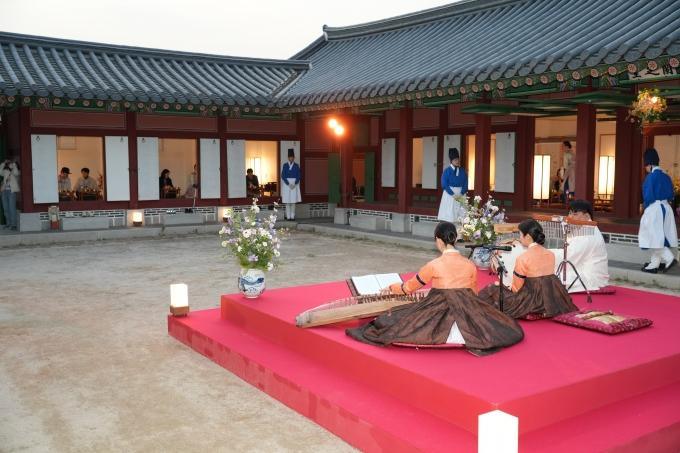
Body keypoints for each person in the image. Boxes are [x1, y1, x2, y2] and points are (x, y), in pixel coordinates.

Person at [346, 222, 524, 357]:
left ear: (438, 240)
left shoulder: (434, 265)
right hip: (466, 307)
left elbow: (408, 288)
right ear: (455, 239)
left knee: (392, 320)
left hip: (439, 305)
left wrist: (392, 287)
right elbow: (474, 294)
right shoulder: (469, 264)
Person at [479, 219, 577, 318]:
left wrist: (507, 289)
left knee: (491, 289)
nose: (520, 238)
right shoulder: (551, 254)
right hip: (550, 298)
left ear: (528, 237)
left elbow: (516, 288)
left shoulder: (523, 258)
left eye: (520, 235)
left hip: (531, 299)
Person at [548, 199, 610, 291]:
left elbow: (570, 256)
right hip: (578, 269)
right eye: (570, 213)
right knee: (545, 273)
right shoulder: (581, 228)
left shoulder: (590, 233)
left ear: (586, 216)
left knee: (548, 277)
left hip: (590, 276)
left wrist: (544, 253)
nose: (571, 217)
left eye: (575, 214)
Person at [639, 148, 678, 274]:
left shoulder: (650, 177)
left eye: (646, 166)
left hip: (655, 209)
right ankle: (654, 264)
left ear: (650, 164)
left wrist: (646, 208)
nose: (645, 168)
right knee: (658, 236)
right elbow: (671, 195)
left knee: (653, 236)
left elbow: (648, 197)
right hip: (666, 208)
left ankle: (670, 259)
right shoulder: (667, 177)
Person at [437, 148, 468, 223]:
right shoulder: (447, 171)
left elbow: (466, 182)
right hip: (450, 194)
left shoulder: (463, 171)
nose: (457, 161)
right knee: (450, 213)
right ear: (451, 161)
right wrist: (452, 194)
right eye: (455, 160)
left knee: (462, 214)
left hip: (461, 193)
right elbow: (444, 184)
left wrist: (462, 192)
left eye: (458, 159)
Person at [280, 149, 301, 220]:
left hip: (294, 183)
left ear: (294, 158)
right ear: (288, 158)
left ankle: (292, 216)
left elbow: (299, 175)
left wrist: (295, 183)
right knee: (287, 201)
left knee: (293, 201)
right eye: (290, 157)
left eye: (292, 157)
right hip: (287, 184)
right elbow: (283, 175)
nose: (291, 158)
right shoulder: (285, 165)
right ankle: (288, 216)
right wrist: (288, 183)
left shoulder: (296, 165)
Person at [1, 159, 20, 230]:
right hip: (4, 191)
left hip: (12, 192)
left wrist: (14, 164)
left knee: (12, 208)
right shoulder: (6, 171)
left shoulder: (17, 172)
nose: (10, 165)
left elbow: (16, 173)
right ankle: (8, 223)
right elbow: (0, 172)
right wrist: (3, 163)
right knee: (6, 209)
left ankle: (13, 224)